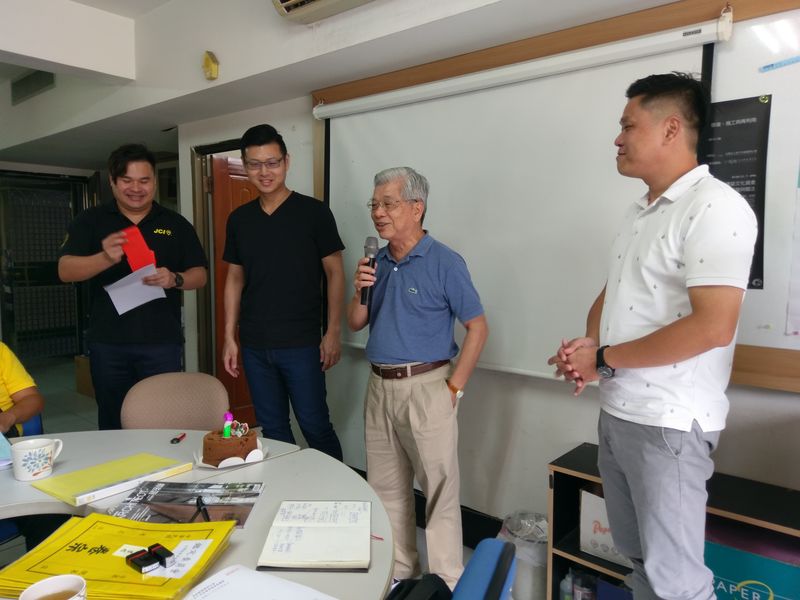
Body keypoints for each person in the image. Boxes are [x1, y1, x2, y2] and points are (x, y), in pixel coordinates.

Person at [548, 73, 757, 600]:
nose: (617, 139)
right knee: (638, 562)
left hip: (668, 424)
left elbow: (713, 326)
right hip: (621, 413)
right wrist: (588, 345)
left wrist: (604, 358)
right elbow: (616, 290)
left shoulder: (716, 207)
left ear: (670, 129)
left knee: (676, 583)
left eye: (628, 126)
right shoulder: (641, 210)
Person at [348, 167, 488, 589]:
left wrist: (453, 389)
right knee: (386, 488)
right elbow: (355, 322)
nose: (378, 213)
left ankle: (445, 580)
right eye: (374, 204)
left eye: (388, 204)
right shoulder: (375, 261)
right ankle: (400, 573)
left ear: (416, 207)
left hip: (428, 387)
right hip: (379, 387)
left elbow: (478, 327)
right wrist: (360, 287)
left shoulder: (444, 261)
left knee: (440, 492)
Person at [58, 143, 208, 430]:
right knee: (113, 420)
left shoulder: (175, 224)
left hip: (162, 344)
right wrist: (104, 258)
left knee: (163, 419)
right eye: (127, 180)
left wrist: (174, 278)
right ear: (113, 181)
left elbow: (199, 275)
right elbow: (65, 271)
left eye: (144, 180)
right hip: (109, 343)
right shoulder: (90, 221)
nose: (136, 188)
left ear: (154, 181)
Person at [222, 124, 344, 461]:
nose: (264, 172)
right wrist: (229, 337)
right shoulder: (239, 220)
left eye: (272, 163)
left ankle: (335, 488)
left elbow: (335, 273)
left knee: (315, 425)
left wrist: (333, 331)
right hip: (255, 344)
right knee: (273, 428)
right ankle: (290, 486)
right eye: (255, 164)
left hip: (302, 342)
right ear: (245, 166)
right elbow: (234, 278)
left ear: (286, 162)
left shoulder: (314, 213)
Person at [0, 342, 69, 549]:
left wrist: (9, 417)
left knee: (53, 512)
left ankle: (43, 568)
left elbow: (32, 399)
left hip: (7, 462)